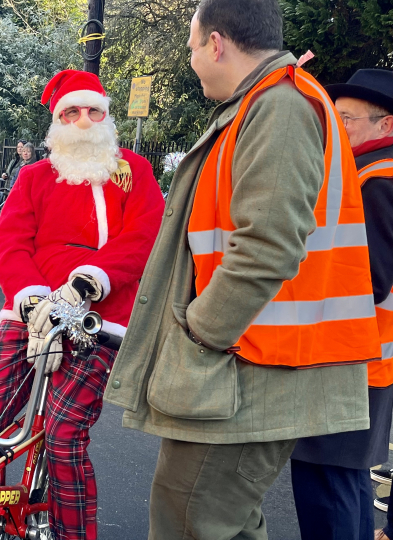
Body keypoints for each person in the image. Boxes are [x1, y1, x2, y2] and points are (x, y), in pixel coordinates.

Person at [106, 0, 380, 537]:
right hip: (247, 365)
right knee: (218, 521)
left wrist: (199, 333)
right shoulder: (267, 103)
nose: (191, 61)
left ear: (216, 42)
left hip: (244, 369)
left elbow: (267, 246)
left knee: (191, 519)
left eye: (191, 47)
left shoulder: (278, 106)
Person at [0, 70, 164, 540]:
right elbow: (10, 244)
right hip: (29, 313)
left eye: (93, 111)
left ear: (107, 117)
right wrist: (34, 302)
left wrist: (87, 284)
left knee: (64, 434)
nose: (84, 121)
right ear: (57, 122)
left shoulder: (134, 170)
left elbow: (144, 237)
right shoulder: (34, 177)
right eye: (72, 112)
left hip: (100, 320)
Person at [286, 68, 393, 540]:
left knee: (329, 485)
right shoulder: (369, 174)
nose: (335, 127)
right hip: (363, 356)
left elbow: (367, 279)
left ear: (385, 124)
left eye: (345, 118)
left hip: (349, 358)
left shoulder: (378, 179)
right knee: (340, 482)